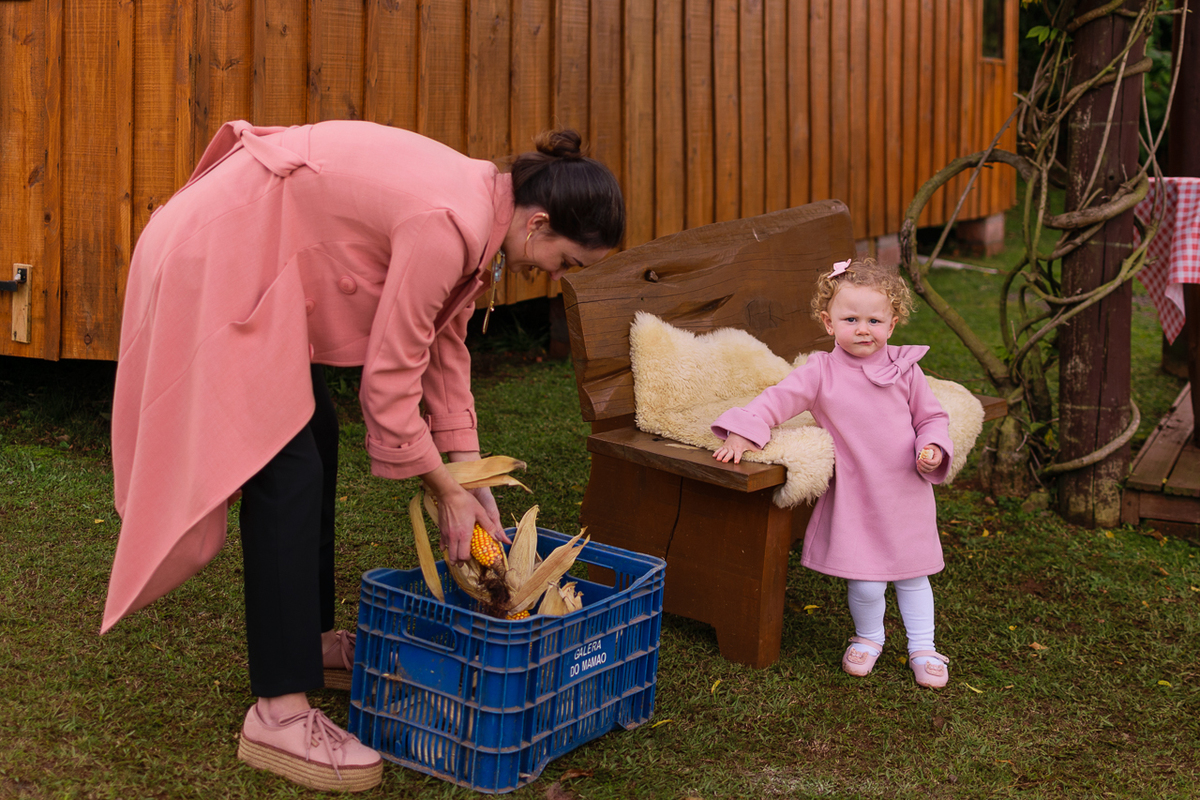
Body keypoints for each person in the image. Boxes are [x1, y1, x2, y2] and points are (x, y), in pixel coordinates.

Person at [101, 119, 624, 791]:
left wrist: (470, 477)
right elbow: (389, 385)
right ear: (541, 223)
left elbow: (443, 347)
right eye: (567, 263)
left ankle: (309, 648)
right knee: (285, 465)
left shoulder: (483, 212)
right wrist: (444, 490)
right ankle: (279, 714)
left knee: (312, 432)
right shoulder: (449, 222)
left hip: (250, 250)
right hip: (216, 253)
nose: (556, 277)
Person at [711, 257, 953, 689]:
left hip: (906, 492)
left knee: (913, 576)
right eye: (851, 318)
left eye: (875, 320)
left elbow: (931, 418)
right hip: (858, 495)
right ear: (828, 322)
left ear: (892, 325)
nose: (864, 328)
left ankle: (923, 646)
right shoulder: (821, 373)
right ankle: (869, 636)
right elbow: (775, 401)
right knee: (866, 581)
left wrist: (931, 447)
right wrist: (742, 434)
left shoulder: (906, 370)